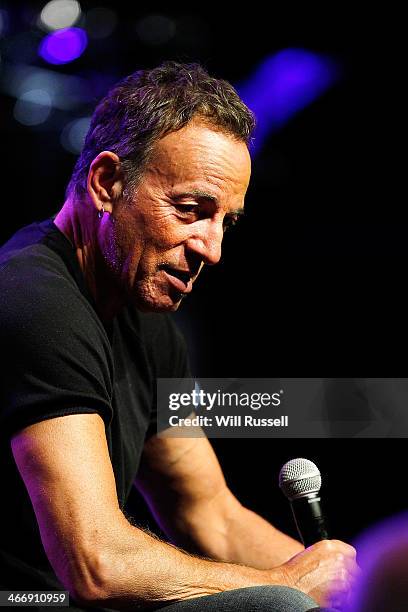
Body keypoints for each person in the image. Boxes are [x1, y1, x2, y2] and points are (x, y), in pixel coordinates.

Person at [0, 61, 357, 611]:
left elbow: (210, 514)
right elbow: (98, 564)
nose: (211, 249)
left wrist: (363, 593)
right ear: (107, 182)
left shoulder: (148, 322)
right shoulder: (33, 300)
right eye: (191, 211)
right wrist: (293, 587)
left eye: (224, 223)